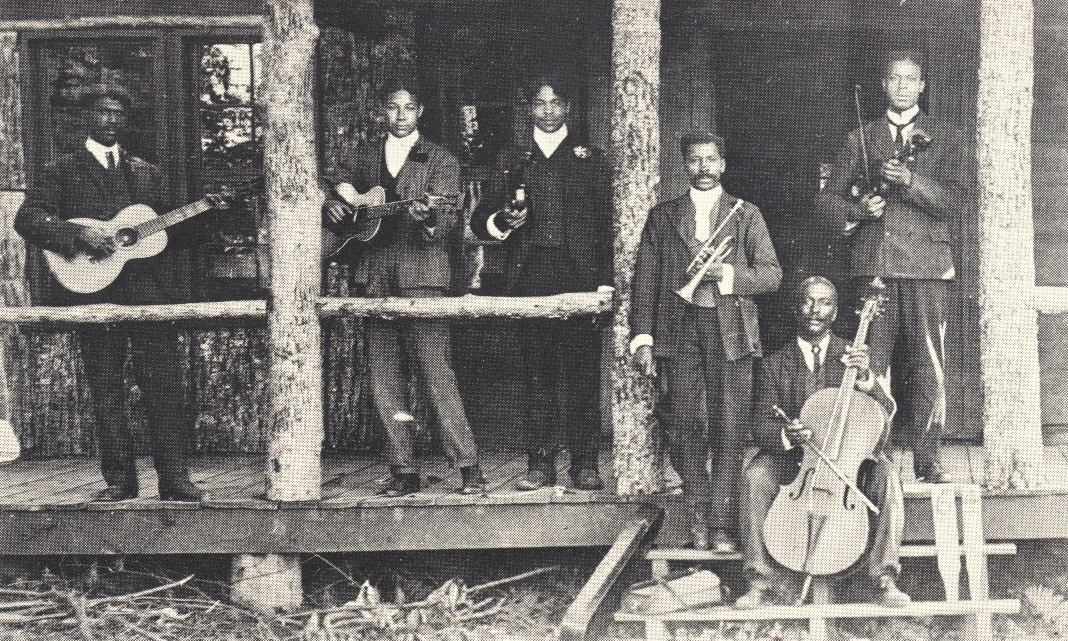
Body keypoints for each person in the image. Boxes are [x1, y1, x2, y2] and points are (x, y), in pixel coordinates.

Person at [15, 83, 212, 502]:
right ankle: (119, 482)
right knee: (107, 390)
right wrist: (80, 234)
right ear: (87, 118)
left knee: (164, 388)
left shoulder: (147, 172)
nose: (110, 120)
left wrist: (209, 215)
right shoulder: (61, 170)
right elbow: (28, 219)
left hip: (146, 295)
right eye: (103, 112)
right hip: (91, 292)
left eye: (118, 114)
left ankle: (175, 480)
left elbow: (167, 235)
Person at [322, 79, 483, 497]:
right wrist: (334, 204)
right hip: (374, 276)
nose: (400, 116)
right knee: (384, 379)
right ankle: (403, 470)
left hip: (422, 276)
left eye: (408, 108)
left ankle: (468, 467)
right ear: (382, 111)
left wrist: (427, 216)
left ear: (420, 111)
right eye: (393, 108)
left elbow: (443, 226)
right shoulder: (361, 156)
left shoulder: (441, 160)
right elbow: (331, 187)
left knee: (436, 373)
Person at [818, 50, 965, 483]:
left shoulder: (947, 136)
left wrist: (911, 182)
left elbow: (955, 201)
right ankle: (870, 453)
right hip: (876, 263)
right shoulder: (858, 138)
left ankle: (928, 457)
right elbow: (826, 201)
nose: (902, 86)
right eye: (894, 79)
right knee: (871, 361)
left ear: (922, 86)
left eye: (910, 79)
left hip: (926, 265)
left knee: (927, 362)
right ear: (884, 85)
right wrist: (859, 208)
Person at [631, 132, 782, 552]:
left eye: (711, 160)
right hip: (678, 330)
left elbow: (772, 276)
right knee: (681, 423)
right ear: (685, 165)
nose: (703, 168)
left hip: (730, 330)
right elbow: (644, 281)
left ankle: (720, 525)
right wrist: (643, 337)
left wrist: (728, 276)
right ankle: (698, 510)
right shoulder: (663, 217)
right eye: (695, 160)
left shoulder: (746, 215)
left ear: (723, 165)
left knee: (729, 426)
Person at [472, 72, 612, 491]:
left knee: (584, 373)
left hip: (581, 279)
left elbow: (609, 227)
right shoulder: (512, 159)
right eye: (540, 103)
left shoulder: (591, 159)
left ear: (567, 108)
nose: (548, 111)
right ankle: (539, 463)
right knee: (538, 374)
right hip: (531, 279)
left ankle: (585, 463)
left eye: (555, 103)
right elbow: (482, 218)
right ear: (529, 109)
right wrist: (504, 221)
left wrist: (605, 282)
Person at [735, 277, 910, 609]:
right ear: (795, 308)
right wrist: (787, 435)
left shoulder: (853, 355)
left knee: (887, 475)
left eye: (825, 302)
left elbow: (886, 411)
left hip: (847, 460)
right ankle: (760, 581)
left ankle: (883, 579)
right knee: (755, 475)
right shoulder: (774, 363)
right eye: (807, 302)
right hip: (797, 461)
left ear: (835, 310)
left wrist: (866, 380)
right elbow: (759, 424)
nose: (815, 310)